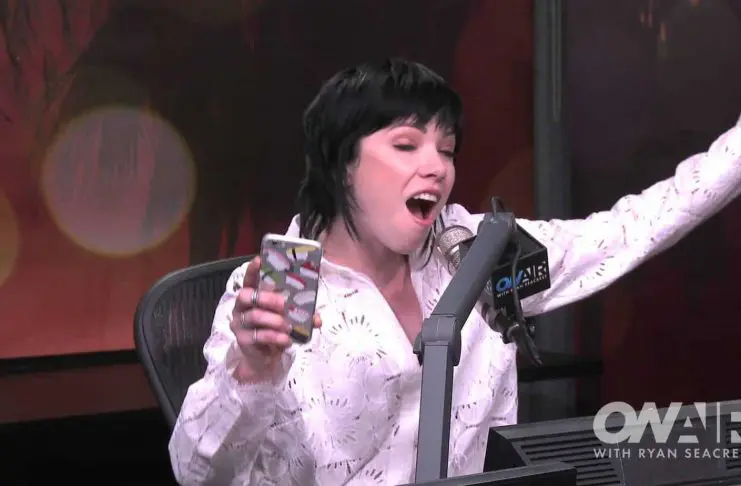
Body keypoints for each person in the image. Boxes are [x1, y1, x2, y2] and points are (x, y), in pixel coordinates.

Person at [168, 59, 741, 485]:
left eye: (446, 150)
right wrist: (251, 369)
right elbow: (196, 472)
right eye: (406, 144)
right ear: (342, 164)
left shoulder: (472, 250)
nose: (436, 168)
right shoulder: (281, 287)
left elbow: (629, 228)